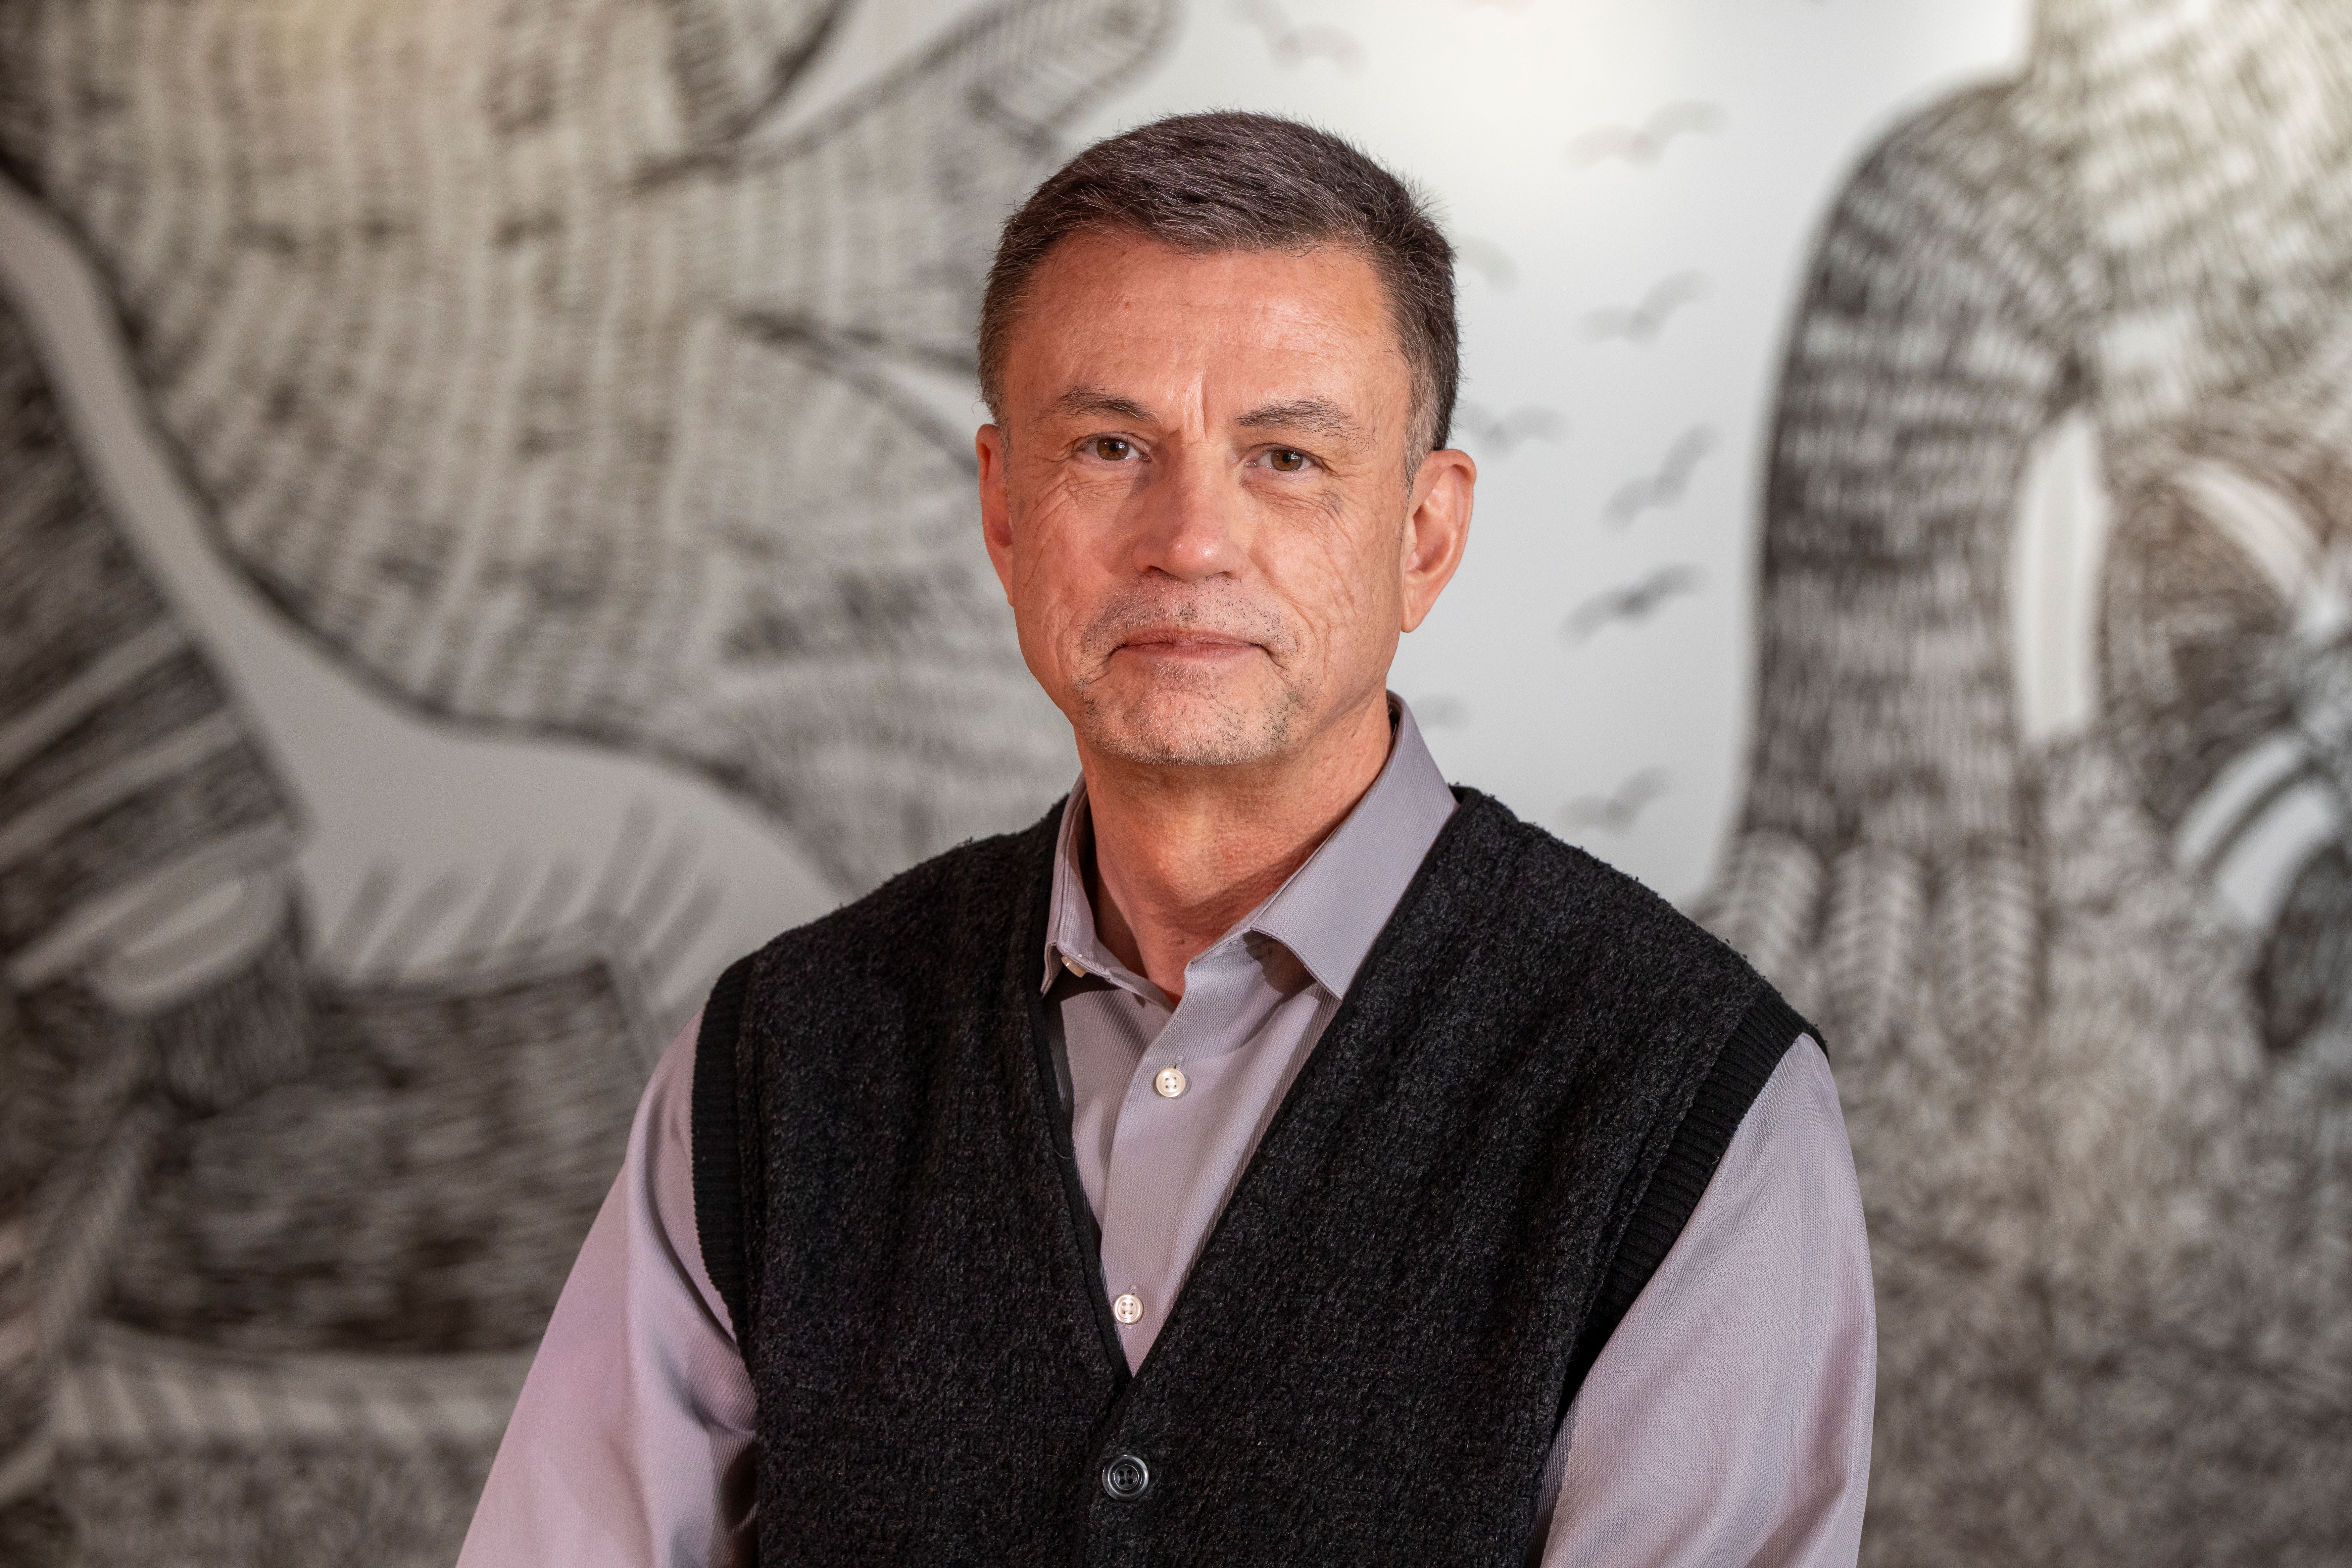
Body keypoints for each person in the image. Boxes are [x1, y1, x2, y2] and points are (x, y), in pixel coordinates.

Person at [458, 111, 1874, 1566]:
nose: (1190, 538)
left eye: (1287, 459)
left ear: (1426, 537)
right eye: (1112, 444)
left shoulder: (1690, 1106)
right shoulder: (770, 1067)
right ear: (1004, 509)